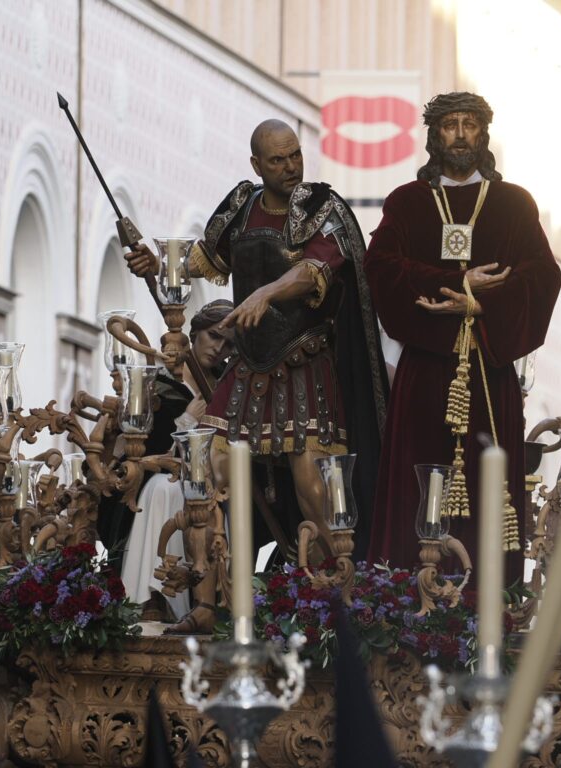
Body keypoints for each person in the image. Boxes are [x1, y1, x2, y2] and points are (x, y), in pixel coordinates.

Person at [126, 120, 388, 629]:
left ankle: (334, 604)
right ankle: (208, 602)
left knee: (316, 490)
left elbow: (316, 270)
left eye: (295, 155)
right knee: (204, 476)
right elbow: (201, 259)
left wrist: (266, 292)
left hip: (305, 364)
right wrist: (158, 264)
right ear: (256, 164)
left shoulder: (322, 207)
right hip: (248, 370)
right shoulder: (241, 206)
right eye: (277, 160)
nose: (291, 167)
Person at [364, 92, 561, 585]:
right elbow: (381, 268)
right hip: (425, 375)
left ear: (483, 133)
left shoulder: (513, 204)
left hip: (488, 374)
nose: (459, 134)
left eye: (468, 124)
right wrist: (456, 284)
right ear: (434, 135)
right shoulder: (407, 202)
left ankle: (486, 600)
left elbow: (542, 276)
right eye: (449, 124)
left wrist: (479, 306)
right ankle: (406, 598)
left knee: (487, 483)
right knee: (416, 482)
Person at [120, 300, 234, 620]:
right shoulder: (162, 383)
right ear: (195, 333)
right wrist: (187, 420)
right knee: (164, 488)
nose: (219, 348)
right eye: (214, 336)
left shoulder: (227, 386)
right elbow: (144, 443)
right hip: (165, 475)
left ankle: (202, 601)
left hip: (214, 481)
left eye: (228, 344)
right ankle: (152, 595)